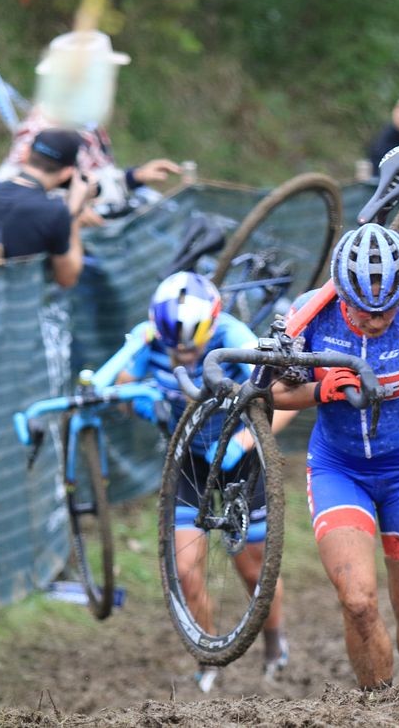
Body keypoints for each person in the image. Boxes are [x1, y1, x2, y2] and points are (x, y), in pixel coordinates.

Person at [270, 224, 399, 690]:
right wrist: (320, 389)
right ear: (342, 293)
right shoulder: (309, 314)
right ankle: (379, 712)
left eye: (387, 311)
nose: (377, 321)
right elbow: (275, 393)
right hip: (338, 470)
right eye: (365, 312)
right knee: (359, 603)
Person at [113, 271, 297, 692]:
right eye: (175, 349)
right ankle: (209, 658)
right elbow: (123, 387)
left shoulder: (237, 338)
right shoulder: (148, 339)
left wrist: (247, 439)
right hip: (189, 457)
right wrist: (144, 405)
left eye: (193, 347)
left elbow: (289, 398)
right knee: (183, 568)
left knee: (252, 568)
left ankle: (273, 640)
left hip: (240, 456)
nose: (185, 357)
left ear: (212, 325)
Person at [0, 32, 181, 221]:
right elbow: (11, 198)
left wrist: (136, 176)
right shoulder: (41, 133)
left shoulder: (86, 123)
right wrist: (72, 213)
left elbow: (95, 184)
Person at [0, 128, 93, 286]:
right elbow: (67, 279)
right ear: (67, 173)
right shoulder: (54, 212)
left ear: (26, 153)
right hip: (19, 303)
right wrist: (73, 214)